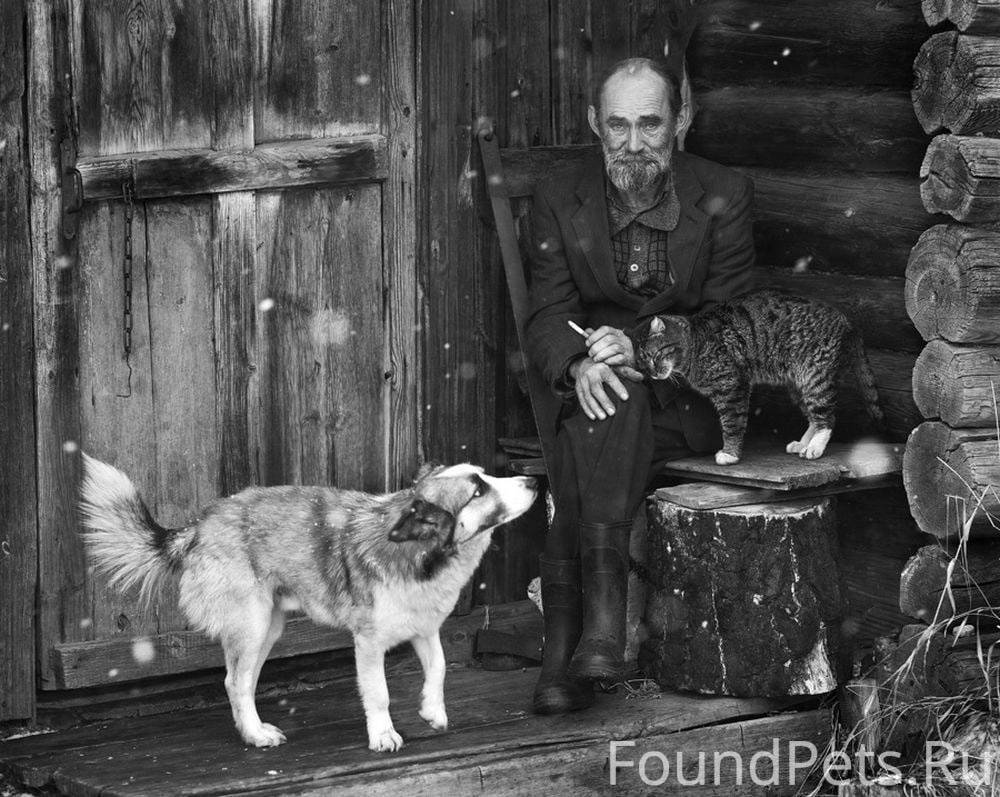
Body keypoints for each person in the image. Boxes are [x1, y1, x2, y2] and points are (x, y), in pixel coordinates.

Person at [525, 57, 756, 715]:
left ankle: (563, 651)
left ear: (682, 119)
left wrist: (644, 348)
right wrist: (579, 364)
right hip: (597, 393)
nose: (631, 143)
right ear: (594, 123)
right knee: (605, 403)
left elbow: (729, 324)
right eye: (617, 125)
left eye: (649, 124)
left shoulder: (724, 193)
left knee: (594, 426)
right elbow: (547, 310)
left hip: (689, 399)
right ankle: (594, 634)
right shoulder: (559, 196)